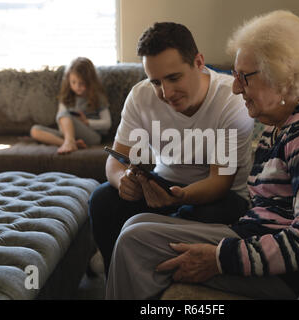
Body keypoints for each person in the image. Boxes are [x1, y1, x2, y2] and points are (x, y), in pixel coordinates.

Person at [106, 10, 299, 300]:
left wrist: (219, 258)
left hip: (292, 276)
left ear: (280, 76)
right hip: (261, 234)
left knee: (134, 241)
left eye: (244, 77)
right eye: (234, 75)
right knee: (134, 226)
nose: (235, 87)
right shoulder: (282, 123)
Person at [89, 22, 255, 275]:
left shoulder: (229, 100)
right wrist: (123, 180)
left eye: (174, 78)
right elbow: (116, 161)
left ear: (199, 63)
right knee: (102, 199)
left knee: (207, 213)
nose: (166, 93)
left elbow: (220, 181)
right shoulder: (140, 96)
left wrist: (180, 197)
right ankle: (117, 275)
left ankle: (149, 261)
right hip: (163, 185)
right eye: (155, 82)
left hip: (221, 195)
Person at [30, 57, 112, 154]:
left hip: (91, 135)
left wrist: (87, 122)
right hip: (68, 133)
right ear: (68, 80)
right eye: (73, 82)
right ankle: (71, 143)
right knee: (35, 130)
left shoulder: (98, 97)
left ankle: (69, 142)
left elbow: (107, 123)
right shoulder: (66, 97)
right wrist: (68, 126)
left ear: (90, 82)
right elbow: (60, 120)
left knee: (65, 114)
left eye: (81, 83)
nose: (77, 87)